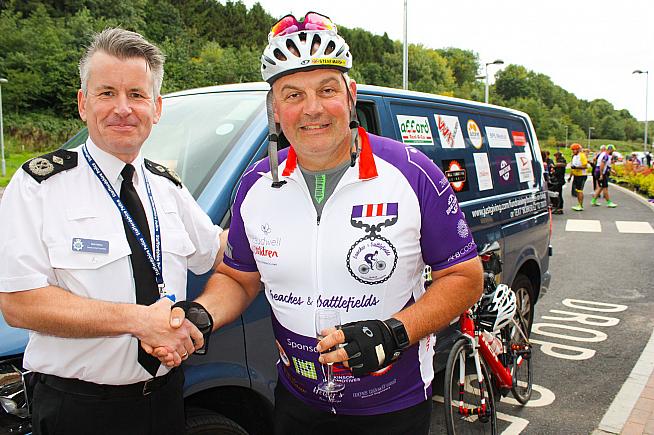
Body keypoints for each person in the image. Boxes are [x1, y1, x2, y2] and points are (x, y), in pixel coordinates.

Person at [158, 11, 482, 435]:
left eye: (326, 90)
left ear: (349, 94)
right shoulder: (255, 185)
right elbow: (238, 279)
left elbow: (464, 277)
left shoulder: (411, 172)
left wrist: (395, 331)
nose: (312, 109)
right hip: (297, 401)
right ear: (274, 109)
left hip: (391, 406)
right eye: (292, 95)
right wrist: (201, 314)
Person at [0, 28, 225, 435]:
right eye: (106, 93)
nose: (123, 108)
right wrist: (138, 320)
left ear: (156, 108)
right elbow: (20, 303)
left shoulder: (168, 188)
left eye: (136, 95)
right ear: (83, 103)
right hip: (78, 407)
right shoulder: (38, 186)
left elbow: (216, 251)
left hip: (167, 398)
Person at [569, 143, 589, 211]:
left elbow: (585, 166)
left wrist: (577, 167)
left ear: (578, 149)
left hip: (582, 175)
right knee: (577, 190)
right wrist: (570, 176)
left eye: (574, 150)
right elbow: (572, 167)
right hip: (576, 175)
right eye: (572, 150)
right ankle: (578, 204)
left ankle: (580, 205)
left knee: (580, 190)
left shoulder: (582, 156)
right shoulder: (574, 156)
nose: (573, 151)